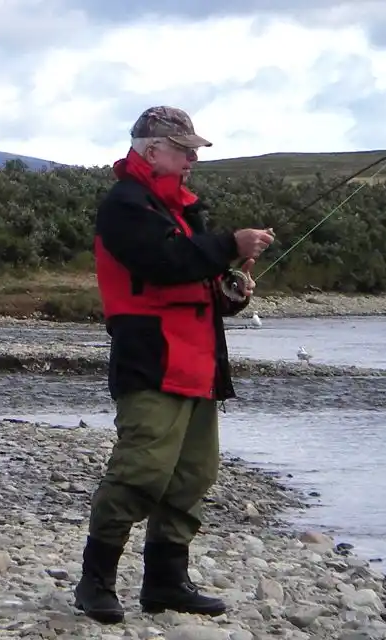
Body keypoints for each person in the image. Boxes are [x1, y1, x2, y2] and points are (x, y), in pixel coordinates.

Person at [73, 105, 276, 624]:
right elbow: (161, 264)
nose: (192, 160)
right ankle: (95, 582)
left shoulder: (183, 210)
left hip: (199, 362)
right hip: (150, 359)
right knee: (141, 471)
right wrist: (229, 245)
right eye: (184, 150)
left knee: (192, 475)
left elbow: (189, 275)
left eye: (193, 151)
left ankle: (165, 583)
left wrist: (229, 293)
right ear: (151, 150)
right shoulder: (124, 204)